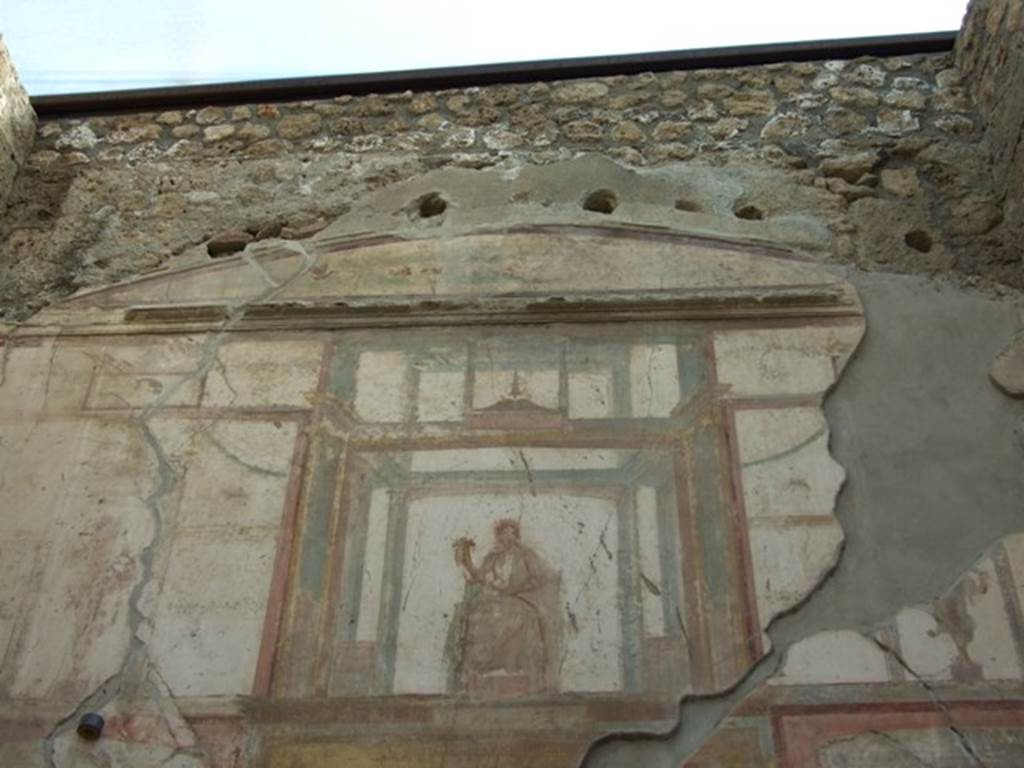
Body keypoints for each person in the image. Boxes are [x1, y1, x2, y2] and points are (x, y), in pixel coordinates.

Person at [446, 518, 562, 694]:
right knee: (478, 617)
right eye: (503, 534)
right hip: (497, 599)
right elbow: (479, 577)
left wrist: (513, 589)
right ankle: (480, 672)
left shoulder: (526, 555)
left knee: (515, 617)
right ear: (498, 536)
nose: (507, 537)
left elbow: (537, 579)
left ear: (516, 536)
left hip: (522, 598)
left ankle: (512, 668)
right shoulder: (493, 557)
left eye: (511, 534)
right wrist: (466, 558)